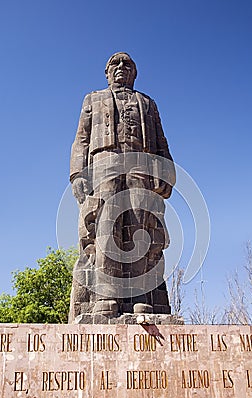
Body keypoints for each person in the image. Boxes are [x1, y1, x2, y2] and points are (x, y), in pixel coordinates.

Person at [69, 52, 175, 321]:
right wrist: (77, 175)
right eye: (114, 64)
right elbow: (81, 140)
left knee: (140, 228)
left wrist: (167, 173)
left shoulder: (147, 103)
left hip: (141, 166)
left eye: (127, 64)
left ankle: (140, 296)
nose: (120, 67)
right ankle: (106, 295)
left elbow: (161, 141)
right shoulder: (93, 99)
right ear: (106, 72)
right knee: (107, 227)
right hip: (104, 164)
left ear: (134, 73)